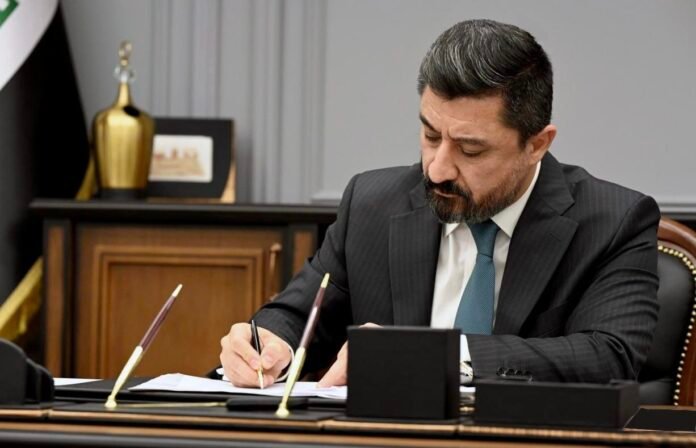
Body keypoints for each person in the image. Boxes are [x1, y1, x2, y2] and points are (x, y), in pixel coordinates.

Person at [219, 19, 660, 388]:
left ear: (537, 145)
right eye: (431, 136)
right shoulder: (372, 204)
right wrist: (267, 344)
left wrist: (437, 356)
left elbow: (610, 355)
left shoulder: (612, 221)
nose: (437, 169)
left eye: (470, 149)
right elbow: (302, 315)